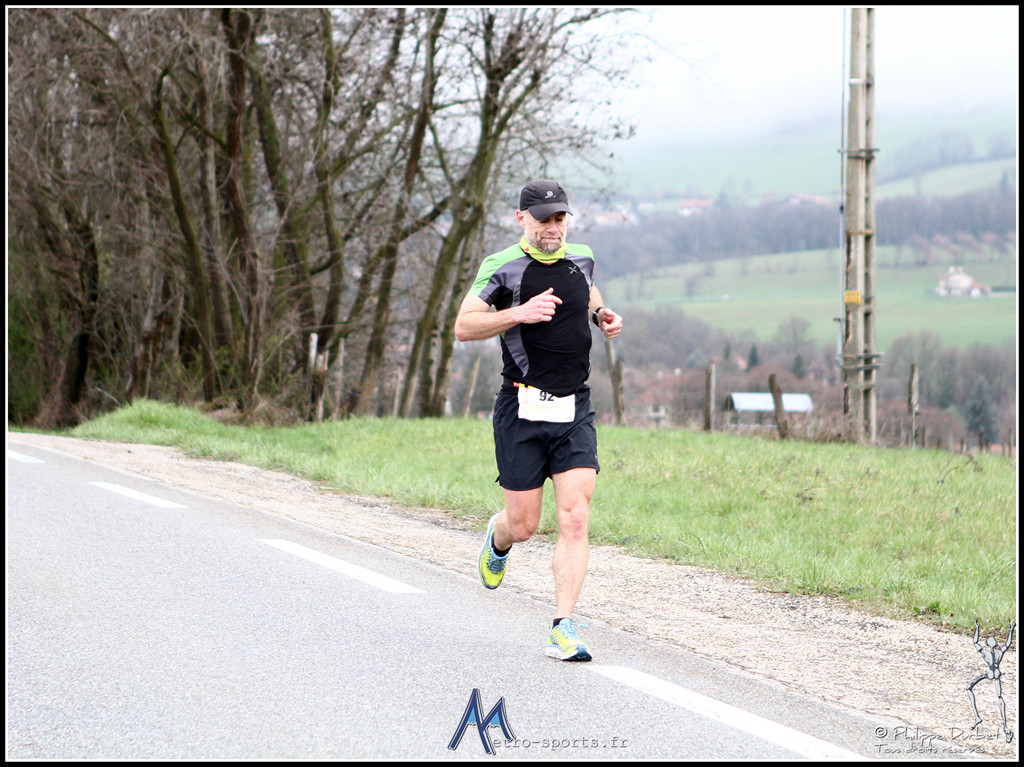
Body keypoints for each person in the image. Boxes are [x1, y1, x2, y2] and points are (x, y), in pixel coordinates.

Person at [454, 178, 623, 662]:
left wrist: (601, 314)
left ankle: (562, 627)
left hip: (574, 407)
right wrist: (519, 313)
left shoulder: (582, 257)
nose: (553, 227)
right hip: (521, 408)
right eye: (543, 218)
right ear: (521, 218)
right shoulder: (501, 266)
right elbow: (464, 326)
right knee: (524, 524)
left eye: (560, 218)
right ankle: (499, 537)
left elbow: (586, 290)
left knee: (575, 516)